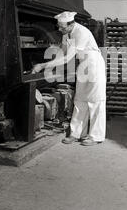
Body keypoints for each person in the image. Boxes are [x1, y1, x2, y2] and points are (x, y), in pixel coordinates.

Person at [32, 11, 106, 146]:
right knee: (80, 100)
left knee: (96, 101)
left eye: (62, 26)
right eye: (59, 26)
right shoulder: (67, 34)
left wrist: (43, 66)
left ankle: (95, 136)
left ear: (72, 24)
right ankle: (76, 133)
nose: (59, 29)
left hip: (94, 65)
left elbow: (67, 58)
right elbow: (62, 53)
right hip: (83, 65)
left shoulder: (81, 32)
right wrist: (47, 64)